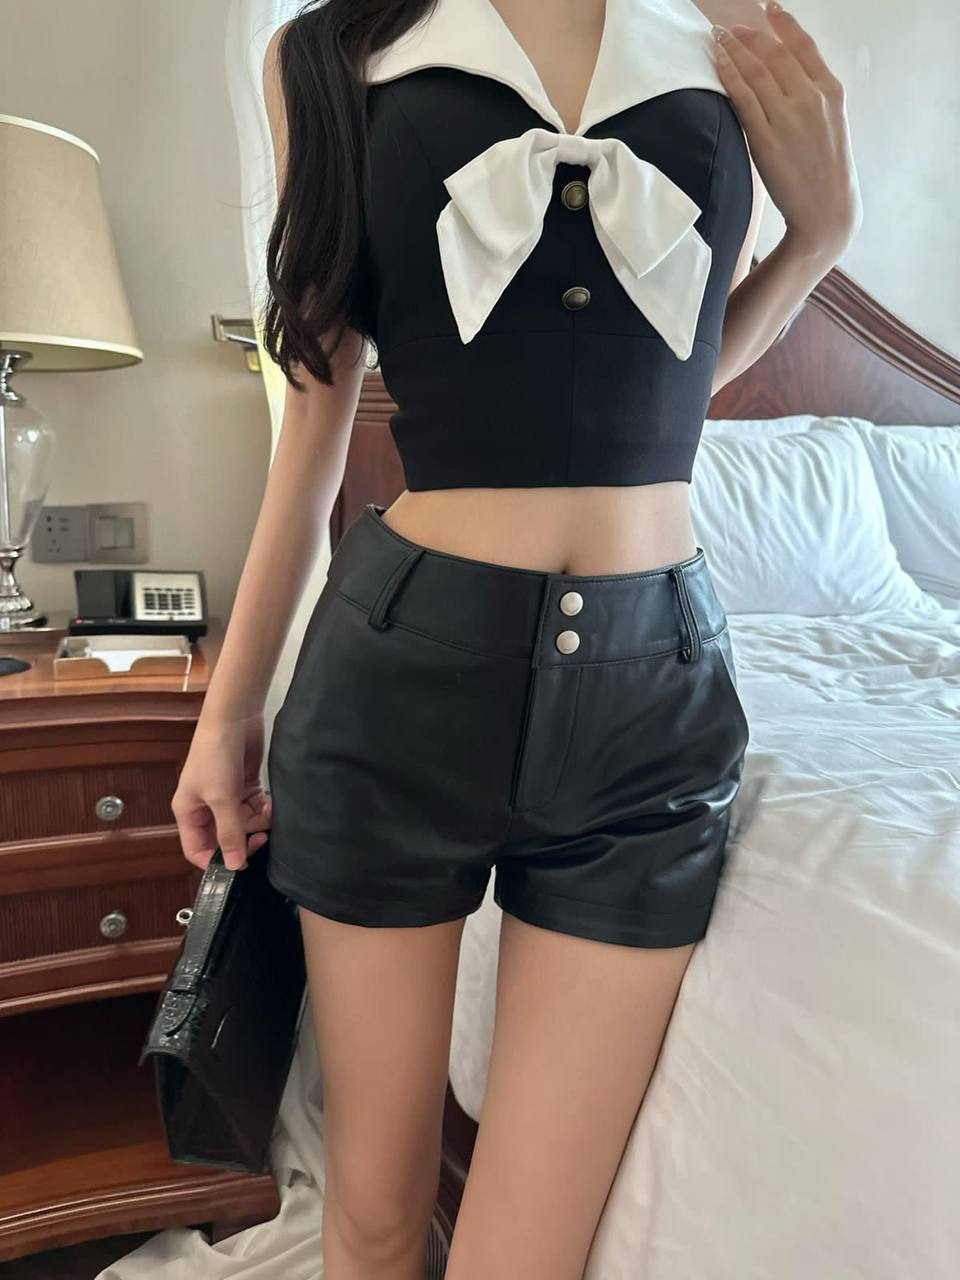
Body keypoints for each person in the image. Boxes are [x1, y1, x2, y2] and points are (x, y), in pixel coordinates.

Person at [171, 1, 861, 1276]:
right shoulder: (330, 52)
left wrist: (819, 242)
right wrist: (230, 716)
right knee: (375, 1218)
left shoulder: (729, 39)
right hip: (397, 687)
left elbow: (674, 381)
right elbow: (314, 429)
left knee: (526, 1255)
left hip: (651, 707)